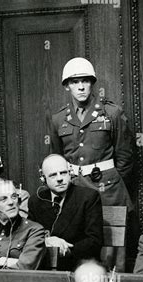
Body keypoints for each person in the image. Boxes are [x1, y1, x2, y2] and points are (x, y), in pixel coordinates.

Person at [50, 57, 133, 208]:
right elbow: (56, 158)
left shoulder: (111, 113)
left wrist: (113, 181)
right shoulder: (58, 118)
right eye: (75, 82)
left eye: (85, 81)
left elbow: (125, 157)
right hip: (75, 190)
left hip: (107, 190)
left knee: (112, 230)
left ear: (92, 84)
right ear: (67, 86)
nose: (81, 87)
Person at [28, 154, 103, 270]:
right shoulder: (36, 201)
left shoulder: (88, 197)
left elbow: (94, 241)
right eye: (53, 175)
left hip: (79, 264)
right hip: (44, 264)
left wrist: (65, 249)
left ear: (70, 173)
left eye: (63, 173)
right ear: (43, 179)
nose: (59, 178)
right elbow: (29, 236)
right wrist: (47, 240)